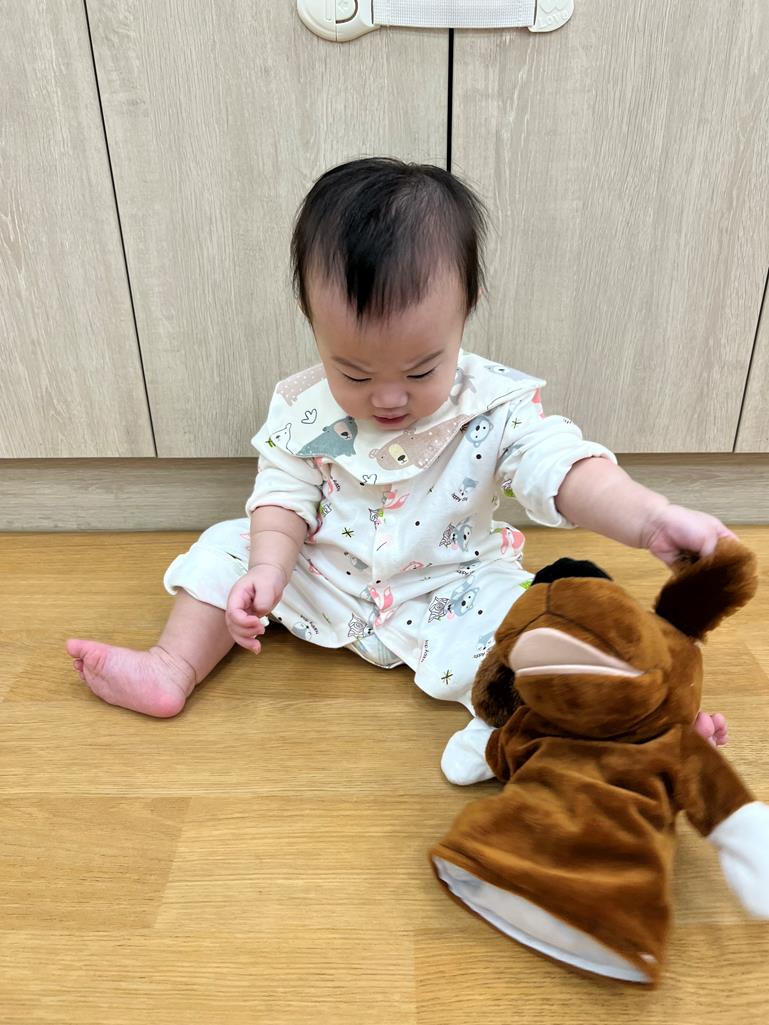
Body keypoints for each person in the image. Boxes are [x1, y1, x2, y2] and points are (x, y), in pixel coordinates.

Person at [66, 158, 732, 784]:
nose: (388, 398)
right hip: (323, 576)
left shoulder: (492, 405)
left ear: (464, 312)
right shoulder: (307, 408)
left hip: (453, 588)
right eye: (354, 373)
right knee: (225, 548)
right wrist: (268, 568)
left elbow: (560, 467)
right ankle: (171, 666)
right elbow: (283, 492)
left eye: (420, 370)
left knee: (536, 629)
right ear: (314, 326)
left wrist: (649, 519)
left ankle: (633, 727)